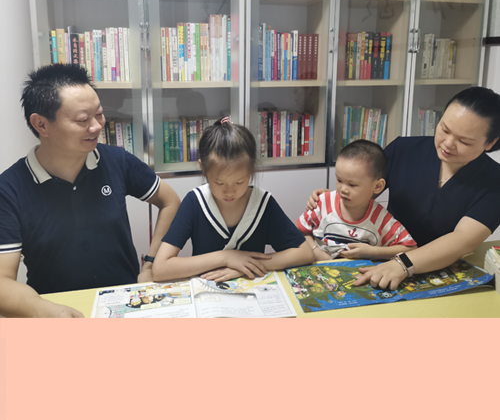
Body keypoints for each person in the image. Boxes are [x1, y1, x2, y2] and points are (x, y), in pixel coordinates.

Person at [0, 64, 181, 317]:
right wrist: (46, 310)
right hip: (56, 313)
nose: (96, 126)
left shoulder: (117, 160)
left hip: (126, 304)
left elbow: (170, 201)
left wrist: (151, 264)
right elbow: (3, 281)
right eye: (83, 120)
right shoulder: (10, 189)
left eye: (99, 115)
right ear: (41, 124)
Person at [306, 87, 500, 290]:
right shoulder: (405, 150)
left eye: (463, 141)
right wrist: (332, 200)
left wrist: (403, 264)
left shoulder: (494, 181)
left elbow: (463, 240)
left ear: (490, 143)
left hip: (441, 270)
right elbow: (361, 193)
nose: (448, 143)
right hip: (381, 257)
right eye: (444, 129)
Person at [152, 117, 314, 283]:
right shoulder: (195, 202)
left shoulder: (262, 203)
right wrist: (226, 257)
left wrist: (245, 266)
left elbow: (304, 253)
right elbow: (160, 269)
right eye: (219, 183)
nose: (229, 192)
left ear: (251, 171)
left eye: (239, 182)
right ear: (203, 168)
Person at [297, 139, 417, 261]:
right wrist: (315, 251)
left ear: (377, 186)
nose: (343, 189)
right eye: (339, 180)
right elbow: (299, 230)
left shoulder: (381, 219)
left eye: (352, 185)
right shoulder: (324, 203)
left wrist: (373, 252)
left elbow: (411, 248)